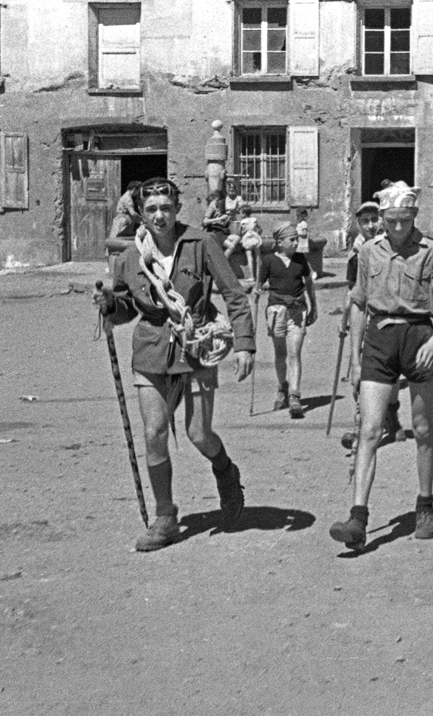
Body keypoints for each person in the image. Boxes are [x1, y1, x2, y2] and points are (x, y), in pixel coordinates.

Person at [93, 178, 255, 551]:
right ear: (140, 213)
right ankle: (165, 516)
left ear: (177, 207)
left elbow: (234, 294)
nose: (159, 215)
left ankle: (225, 471)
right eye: (151, 209)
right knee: (154, 433)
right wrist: (109, 305)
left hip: (196, 346)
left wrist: (245, 344)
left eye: (166, 207)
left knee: (199, 434)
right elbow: (125, 309)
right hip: (151, 350)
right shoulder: (129, 256)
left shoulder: (201, 243)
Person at [329, 181, 433, 552]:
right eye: (391, 221)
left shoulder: (432, 251)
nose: (398, 228)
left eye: (404, 220)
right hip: (380, 340)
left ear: (414, 215)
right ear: (382, 218)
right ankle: (358, 517)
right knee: (369, 430)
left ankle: (425, 505)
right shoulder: (369, 252)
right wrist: (355, 359)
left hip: (419, 337)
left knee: (423, 427)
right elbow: (358, 304)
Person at [339, 201, 406, 450]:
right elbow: (351, 292)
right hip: (365, 321)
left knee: (392, 375)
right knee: (362, 373)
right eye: (364, 221)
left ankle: (392, 415)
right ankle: (360, 427)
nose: (370, 225)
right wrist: (344, 318)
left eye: (373, 219)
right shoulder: (356, 254)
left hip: (389, 319)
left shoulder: (392, 248)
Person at [257, 222, 317, 418]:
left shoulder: (301, 260)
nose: (296, 243)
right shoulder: (268, 261)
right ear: (279, 242)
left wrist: (313, 306)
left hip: (298, 311)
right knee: (280, 353)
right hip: (276, 311)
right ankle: (282, 387)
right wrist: (256, 293)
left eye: (296, 239)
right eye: (292, 240)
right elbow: (259, 284)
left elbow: (309, 283)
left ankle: (295, 396)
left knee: (295, 354)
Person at [225, 205, 262, 279]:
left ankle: (252, 276)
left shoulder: (242, 222)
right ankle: (259, 276)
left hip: (248, 240)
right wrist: (257, 234)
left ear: (244, 213)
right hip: (256, 239)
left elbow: (239, 233)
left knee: (249, 258)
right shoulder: (254, 219)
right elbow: (260, 229)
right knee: (258, 258)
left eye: (241, 213)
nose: (240, 214)